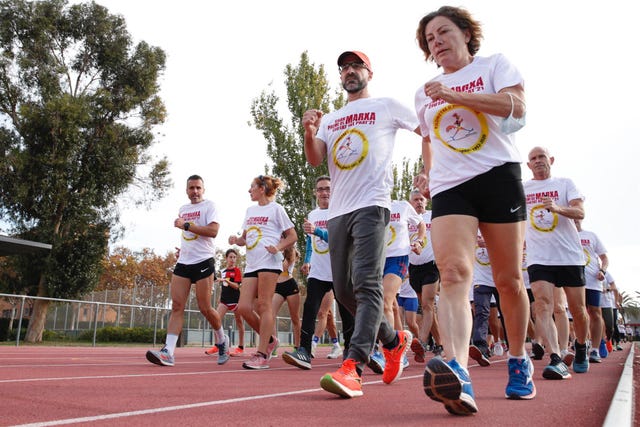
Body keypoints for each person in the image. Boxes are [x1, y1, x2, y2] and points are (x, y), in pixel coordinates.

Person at [413, 6, 535, 414]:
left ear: (466, 33)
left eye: (443, 32)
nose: (437, 42)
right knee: (453, 275)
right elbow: (429, 139)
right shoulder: (423, 92)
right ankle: (458, 370)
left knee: (509, 280)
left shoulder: (495, 65)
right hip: (450, 188)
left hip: (498, 176)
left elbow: (515, 109)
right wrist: (430, 177)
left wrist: (455, 94)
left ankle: (518, 359)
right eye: (430, 39)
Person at [302, 50, 418, 398]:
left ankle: (353, 367)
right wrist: (309, 130)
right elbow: (314, 158)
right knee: (345, 291)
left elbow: (424, 128)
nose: (349, 71)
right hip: (338, 211)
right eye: (344, 68)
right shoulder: (331, 118)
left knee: (368, 286)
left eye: (356, 66)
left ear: (370, 72)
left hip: (372, 206)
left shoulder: (386, 105)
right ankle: (393, 341)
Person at [146, 175, 230, 367]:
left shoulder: (210, 206)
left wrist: (185, 224)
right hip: (184, 262)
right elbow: (189, 236)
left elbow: (213, 232)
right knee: (177, 306)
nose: (195, 191)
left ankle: (222, 339)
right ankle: (168, 351)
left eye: (198, 188)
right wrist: (183, 250)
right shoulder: (183, 209)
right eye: (191, 188)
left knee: (205, 307)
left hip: (203, 261)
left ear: (203, 189)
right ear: (186, 190)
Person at [524, 146, 591, 379]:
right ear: (528, 165)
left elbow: (580, 213)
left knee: (578, 310)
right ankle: (555, 357)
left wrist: (557, 208)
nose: (538, 161)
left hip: (569, 256)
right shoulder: (523, 189)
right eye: (533, 158)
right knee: (542, 304)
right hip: (538, 257)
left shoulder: (565, 184)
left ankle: (581, 346)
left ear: (551, 160)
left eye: (542, 157)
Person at [283, 176, 354, 370]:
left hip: (340, 270)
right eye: (320, 189)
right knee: (310, 308)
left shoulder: (341, 212)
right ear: (316, 192)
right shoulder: (312, 214)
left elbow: (339, 239)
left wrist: (318, 231)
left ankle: (350, 350)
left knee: (346, 311)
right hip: (318, 271)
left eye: (328, 189)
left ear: (334, 191)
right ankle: (304, 352)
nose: (324, 193)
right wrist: (307, 261)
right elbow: (309, 242)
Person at [230, 174, 298, 370]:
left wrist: (278, 247)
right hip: (252, 264)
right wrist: (236, 240)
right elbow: (245, 239)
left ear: (262, 189)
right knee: (243, 307)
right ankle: (269, 340)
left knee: (264, 305)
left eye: (251, 187)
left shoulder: (276, 209)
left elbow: (292, 236)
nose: (249, 190)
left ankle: (262, 355)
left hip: (269, 262)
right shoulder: (250, 210)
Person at [368, 198, 425, 374]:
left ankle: (386, 352)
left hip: (398, 258)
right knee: (391, 306)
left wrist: (419, 241)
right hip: (377, 259)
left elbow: (421, 224)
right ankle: (400, 348)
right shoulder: (371, 205)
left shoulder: (403, 206)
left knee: (385, 300)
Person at [407, 189, 443, 363]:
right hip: (414, 267)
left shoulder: (432, 217)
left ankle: (421, 342)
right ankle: (440, 344)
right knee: (427, 307)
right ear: (410, 203)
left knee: (428, 304)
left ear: (426, 202)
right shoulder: (406, 218)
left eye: (421, 199)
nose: (419, 202)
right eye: (415, 200)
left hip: (432, 265)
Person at [574, 219, 609, 363]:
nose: (574, 220)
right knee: (578, 313)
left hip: (593, 280)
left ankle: (595, 349)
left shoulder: (591, 236)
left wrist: (602, 270)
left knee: (595, 312)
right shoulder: (563, 235)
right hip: (574, 280)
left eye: (576, 217)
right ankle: (583, 343)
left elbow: (604, 257)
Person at [205, 248, 245, 356]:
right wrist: (219, 297)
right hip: (224, 300)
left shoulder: (237, 271)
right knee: (215, 320)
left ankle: (240, 348)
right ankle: (218, 345)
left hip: (236, 300)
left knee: (239, 322)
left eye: (234, 257)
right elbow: (224, 286)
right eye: (230, 257)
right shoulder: (223, 271)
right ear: (226, 258)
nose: (232, 259)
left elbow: (236, 286)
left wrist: (227, 281)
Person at [272, 245, 302, 357]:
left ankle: (298, 346)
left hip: (290, 285)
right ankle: (273, 345)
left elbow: (284, 266)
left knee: (295, 318)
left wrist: (277, 251)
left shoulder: (291, 250)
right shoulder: (276, 248)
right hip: (277, 285)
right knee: (270, 315)